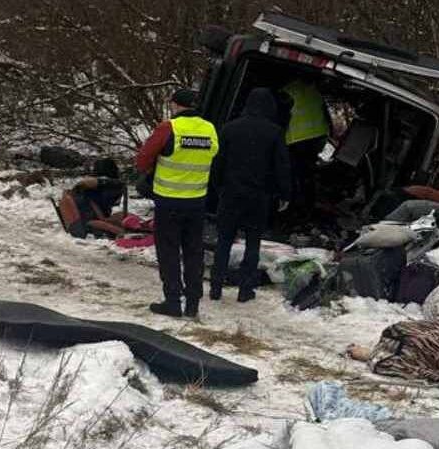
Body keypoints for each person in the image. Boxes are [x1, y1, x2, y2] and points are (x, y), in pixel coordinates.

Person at [135, 88, 219, 318]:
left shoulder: (168, 128)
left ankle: (172, 302)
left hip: (169, 202)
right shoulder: (209, 128)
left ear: (175, 105)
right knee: (194, 252)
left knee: (169, 252)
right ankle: (193, 304)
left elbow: (142, 161)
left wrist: (153, 169)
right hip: (196, 202)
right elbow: (213, 155)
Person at [209, 88, 292, 303]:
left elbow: (218, 162)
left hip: (231, 194)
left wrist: (218, 187)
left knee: (224, 241)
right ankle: (245, 289)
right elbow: (281, 166)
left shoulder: (229, 129)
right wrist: (284, 193)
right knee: (253, 243)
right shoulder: (274, 132)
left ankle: (215, 286)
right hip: (258, 196)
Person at [280, 77, 330, 218]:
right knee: (306, 173)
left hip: (297, 140)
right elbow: (325, 115)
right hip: (317, 137)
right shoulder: (314, 91)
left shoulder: (288, 91)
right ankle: (307, 206)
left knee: (294, 174)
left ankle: (293, 207)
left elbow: (281, 119)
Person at [63, 158, 128, 239]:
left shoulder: (99, 187)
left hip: (91, 219)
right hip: (88, 222)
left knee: (126, 217)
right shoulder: (97, 186)